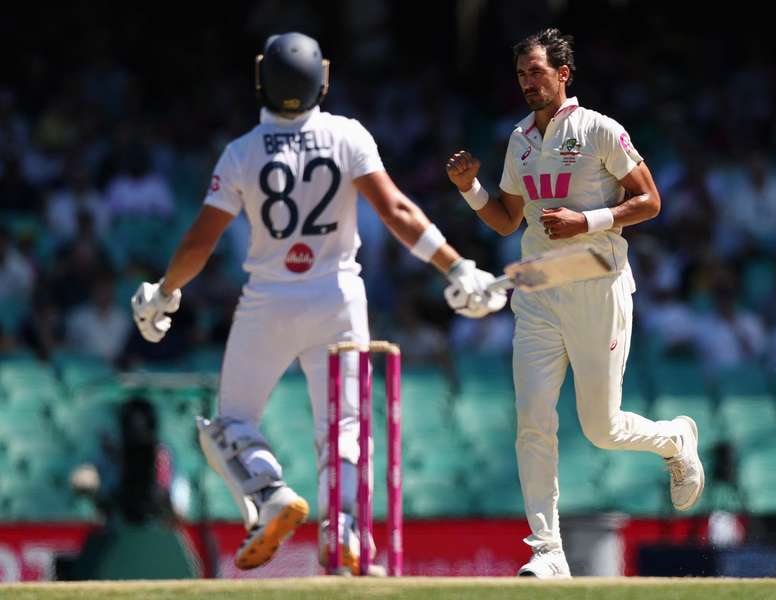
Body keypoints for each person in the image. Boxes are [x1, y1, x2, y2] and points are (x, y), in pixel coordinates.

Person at [130, 32, 505, 574]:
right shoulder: (346, 136)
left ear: (262, 80)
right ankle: (347, 533)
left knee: (228, 425)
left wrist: (165, 292)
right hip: (338, 297)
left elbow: (200, 243)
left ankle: (268, 489)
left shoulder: (241, 153)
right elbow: (398, 211)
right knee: (345, 429)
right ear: (322, 80)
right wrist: (457, 265)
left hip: (268, 302)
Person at [445, 28, 704, 578]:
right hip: (539, 294)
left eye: (537, 72)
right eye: (521, 74)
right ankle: (547, 550)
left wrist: (587, 221)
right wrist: (470, 188)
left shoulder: (600, 130)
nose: (529, 83)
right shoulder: (519, 141)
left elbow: (650, 201)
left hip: (598, 285)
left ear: (564, 74)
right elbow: (507, 219)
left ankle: (675, 439)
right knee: (532, 420)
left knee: (601, 428)